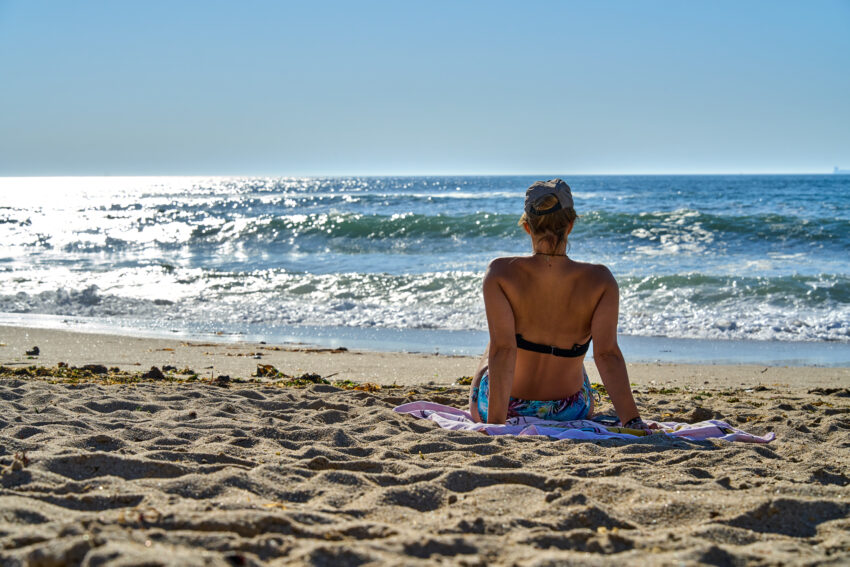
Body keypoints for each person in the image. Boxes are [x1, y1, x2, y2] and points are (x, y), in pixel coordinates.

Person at [469, 179, 654, 434]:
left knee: (496, 343)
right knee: (578, 353)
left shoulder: (500, 272)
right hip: (571, 408)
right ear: (570, 225)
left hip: (506, 406)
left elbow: (503, 350)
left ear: (527, 227)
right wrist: (633, 421)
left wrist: (497, 427)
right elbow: (606, 354)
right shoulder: (601, 280)